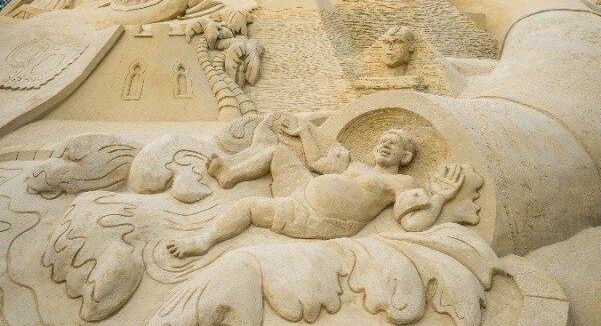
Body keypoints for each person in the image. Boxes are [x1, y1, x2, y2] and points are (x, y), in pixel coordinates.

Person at [166, 125, 464, 258]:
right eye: (382, 140)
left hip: (315, 217)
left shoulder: (403, 184)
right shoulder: (356, 165)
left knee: (249, 206)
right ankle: (230, 174)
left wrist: (439, 197)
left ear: (406, 158)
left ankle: (202, 241)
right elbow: (316, 164)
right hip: (300, 190)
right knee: (279, 152)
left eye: (394, 144)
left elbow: (413, 224)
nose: (385, 144)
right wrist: (305, 131)